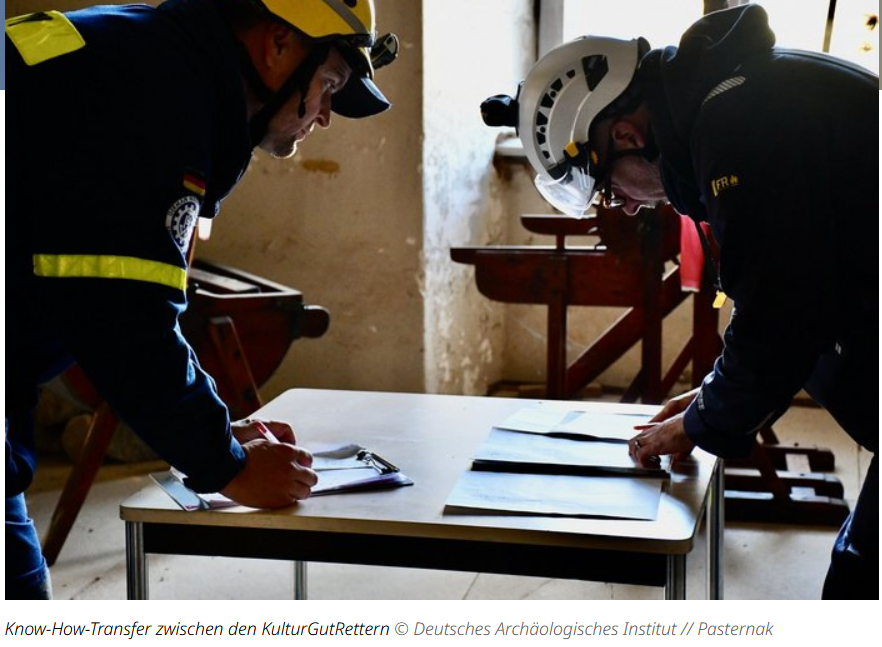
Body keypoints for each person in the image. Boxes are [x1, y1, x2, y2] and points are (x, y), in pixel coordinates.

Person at [481, 3, 877, 599]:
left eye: (610, 190)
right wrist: (714, 395)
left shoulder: (736, 123)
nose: (629, 207)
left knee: (856, 593)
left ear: (626, 135)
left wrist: (701, 422)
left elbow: (781, 319)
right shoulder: (735, 99)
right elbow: (796, 289)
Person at [5, 0, 398, 599]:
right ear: (277, 46)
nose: (325, 117)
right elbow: (126, 320)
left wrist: (217, 434)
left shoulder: (148, 52)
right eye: (331, 84)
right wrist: (226, 466)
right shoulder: (157, 94)